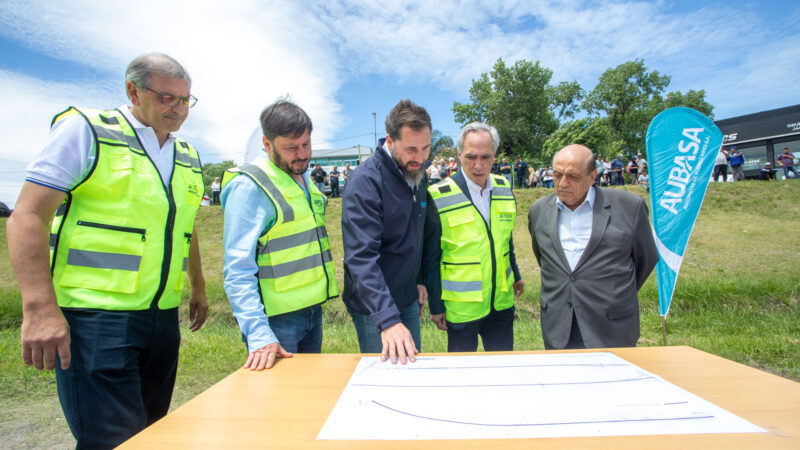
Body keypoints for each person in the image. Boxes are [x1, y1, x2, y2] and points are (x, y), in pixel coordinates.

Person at [7, 53, 208, 448]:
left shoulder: (186, 153)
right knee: (114, 439)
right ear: (132, 91)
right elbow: (27, 215)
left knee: (152, 433)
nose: (178, 109)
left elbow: (184, 225)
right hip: (96, 319)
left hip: (160, 319)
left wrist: (197, 285)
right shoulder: (88, 131)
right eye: (167, 97)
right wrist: (39, 308)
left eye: (185, 100)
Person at [221, 99, 338, 371]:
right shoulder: (250, 186)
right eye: (291, 147)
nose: (302, 154)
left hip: (312, 311)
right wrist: (258, 332)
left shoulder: (303, 178)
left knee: (309, 395)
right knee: (280, 405)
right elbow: (238, 269)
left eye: (306, 144)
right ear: (267, 143)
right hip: (275, 321)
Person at [527, 144, 658, 349]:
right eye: (558, 174)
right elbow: (545, 259)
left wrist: (612, 295)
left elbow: (646, 260)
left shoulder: (629, 207)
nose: (563, 183)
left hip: (611, 328)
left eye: (573, 176)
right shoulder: (538, 211)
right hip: (559, 329)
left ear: (592, 176)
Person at [341, 99, 433, 365]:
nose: (420, 158)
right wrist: (388, 320)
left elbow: (418, 231)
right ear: (390, 142)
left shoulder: (416, 172)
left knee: (411, 369)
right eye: (412, 149)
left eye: (426, 148)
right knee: (385, 380)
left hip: (408, 297)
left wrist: (420, 279)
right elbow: (360, 258)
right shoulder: (366, 182)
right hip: (374, 307)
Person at [426, 123, 524, 351]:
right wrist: (436, 305)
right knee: (462, 377)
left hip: (501, 304)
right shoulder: (438, 196)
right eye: (470, 157)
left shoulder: (504, 187)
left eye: (485, 157)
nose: (478, 165)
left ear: (495, 156)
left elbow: (505, 239)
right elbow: (431, 257)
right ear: (459, 154)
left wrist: (516, 274)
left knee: (501, 373)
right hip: (462, 309)